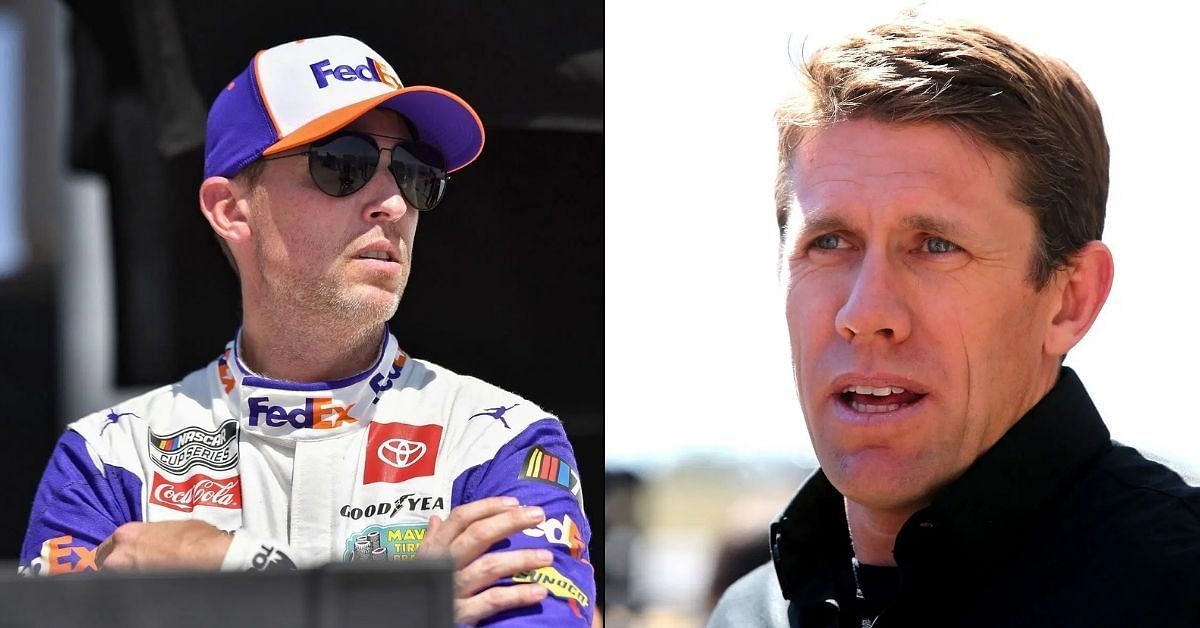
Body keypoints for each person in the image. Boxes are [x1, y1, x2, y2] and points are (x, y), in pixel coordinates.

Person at [21, 35, 595, 627]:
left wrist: (231, 570)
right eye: (342, 164)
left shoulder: (503, 441)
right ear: (230, 209)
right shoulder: (109, 456)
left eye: (415, 172)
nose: (393, 203)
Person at [709, 16, 1200, 627]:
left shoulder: (1178, 590)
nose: (865, 313)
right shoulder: (750, 613)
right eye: (830, 241)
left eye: (936, 246)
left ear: (1070, 299)